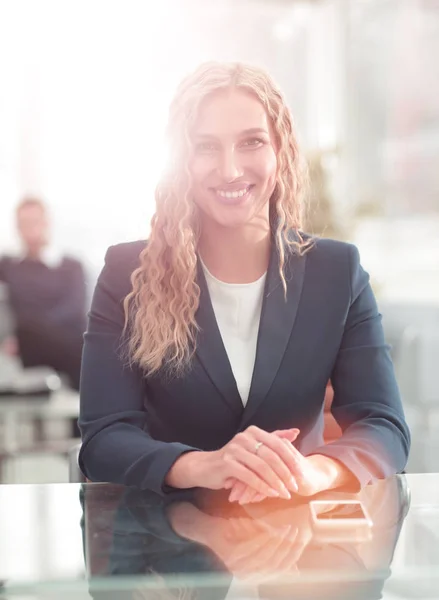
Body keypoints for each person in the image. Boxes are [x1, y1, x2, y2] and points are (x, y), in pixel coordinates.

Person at [79, 62, 410, 503]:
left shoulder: (337, 271)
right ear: (181, 161)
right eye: (206, 147)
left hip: (295, 544)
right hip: (163, 551)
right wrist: (206, 465)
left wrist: (315, 473)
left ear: (281, 150)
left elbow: (383, 425)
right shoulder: (127, 273)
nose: (230, 170)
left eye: (251, 142)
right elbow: (103, 436)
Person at [0, 198, 86, 434]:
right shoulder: (9, 266)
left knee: (80, 342)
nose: (31, 229)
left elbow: (73, 311)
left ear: (47, 223)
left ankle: (81, 434)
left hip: (67, 342)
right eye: (24, 223)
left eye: (35, 222)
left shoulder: (71, 266)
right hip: (28, 349)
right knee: (26, 331)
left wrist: (32, 329)